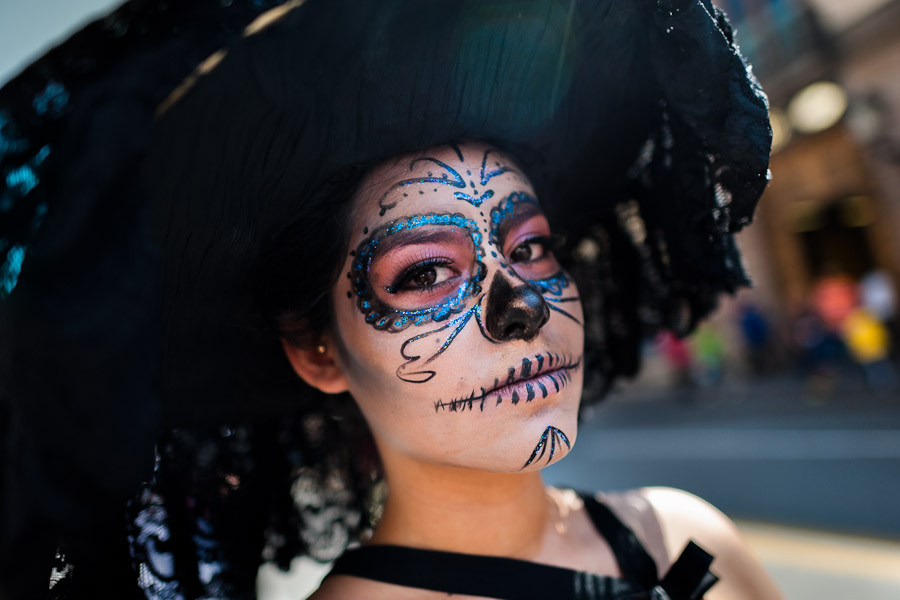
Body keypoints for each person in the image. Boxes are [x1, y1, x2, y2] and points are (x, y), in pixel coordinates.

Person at [0, 1, 779, 599]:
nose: (523, 307)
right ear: (317, 351)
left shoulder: (686, 536)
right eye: (422, 274)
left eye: (532, 247)